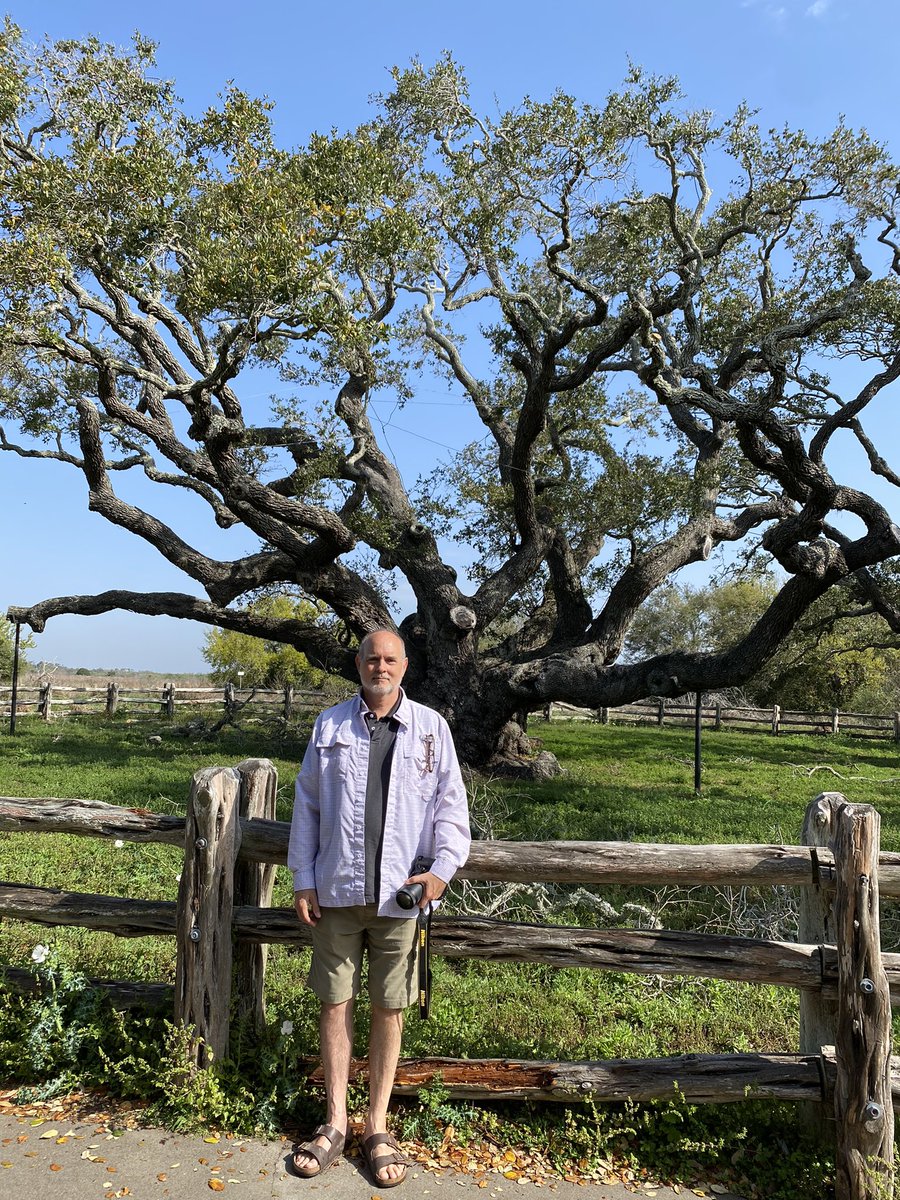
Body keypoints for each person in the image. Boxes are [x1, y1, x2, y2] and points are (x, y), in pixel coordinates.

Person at [288, 629, 470, 1187]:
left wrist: (440, 873)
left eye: (390, 659)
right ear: (359, 663)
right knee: (335, 1004)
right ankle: (336, 1122)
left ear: (405, 666)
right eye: (372, 658)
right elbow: (308, 804)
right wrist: (303, 878)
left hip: (399, 899)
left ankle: (377, 1126)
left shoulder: (432, 730)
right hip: (337, 893)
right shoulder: (330, 725)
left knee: (390, 1009)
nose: (380, 667)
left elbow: (451, 812)